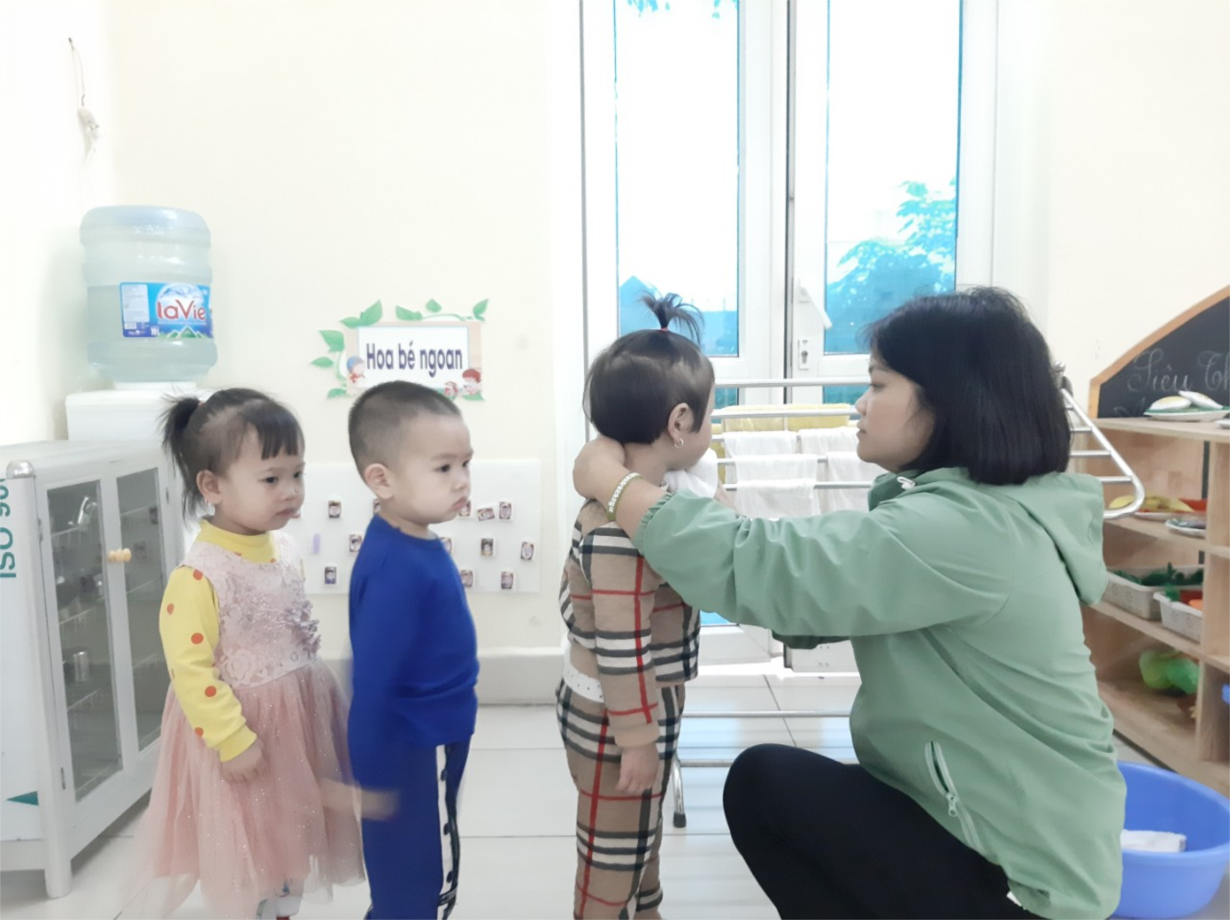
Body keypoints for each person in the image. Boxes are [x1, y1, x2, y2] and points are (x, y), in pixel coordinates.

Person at [572, 288, 1126, 920]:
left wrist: (613, 483)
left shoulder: (966, 531)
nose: (860, 403)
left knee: (764, 788)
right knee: (766, 785)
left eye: (879, 384)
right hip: (974, 818)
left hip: (1028, 883)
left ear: (950, 401)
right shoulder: (974, 510)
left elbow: (767, 571)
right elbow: (806, 600)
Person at [130, 388, 363, 920]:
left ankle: (282, 906)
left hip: (297, 726)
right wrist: (231, 740)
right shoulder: (199, 576)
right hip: (242, 735)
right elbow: (190, 671)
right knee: (251, 841)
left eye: (297, 474)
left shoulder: (284, 547)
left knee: (291, 833)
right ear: (212, 486)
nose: (291, 491)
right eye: (271, 479)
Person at [559, 294, 733, 920]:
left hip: (643, 700)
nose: (713, 430)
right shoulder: (623, 530)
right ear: (680, 422)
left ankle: (648, 908)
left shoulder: (657, 499)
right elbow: (620, 644)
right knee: (612, 856)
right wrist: (637, 738)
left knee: (640, 832)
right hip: (617, 712)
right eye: (711, 416)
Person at [346, 381, 480, 920]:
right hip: (412, 753)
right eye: (443, 467)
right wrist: (373, 780)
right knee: (417, 890)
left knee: (413, 886)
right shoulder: (396, 569)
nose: (462, 480)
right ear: (382, 479)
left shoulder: (408, 538)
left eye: (466, 463)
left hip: (426, 741)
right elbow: (372, 686)